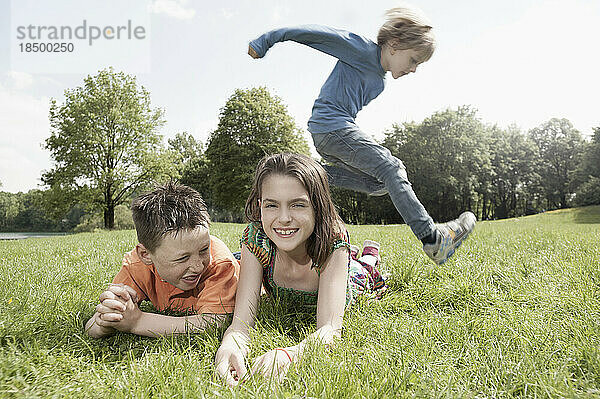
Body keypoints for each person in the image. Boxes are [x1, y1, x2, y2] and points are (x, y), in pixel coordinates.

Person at [248, 5, 476, 265]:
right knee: (392, 169)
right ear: (394, 44)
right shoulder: (361, 50)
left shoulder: (379, 82)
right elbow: (314, 34)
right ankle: (432, 238)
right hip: (331, 127)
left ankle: (312, 176)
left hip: (330, 134)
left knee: (381, 183)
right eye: (413, 60)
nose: (413, 69)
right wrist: (266, 40)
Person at [215, 153, 387, 385]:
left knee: (360, 272)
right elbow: (241, 323)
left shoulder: (332, 239)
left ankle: (367, 258)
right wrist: (229, 345)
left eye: (297, 204)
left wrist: (290, 354)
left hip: (344, 281)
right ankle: (354, 256)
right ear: (260, 206)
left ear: (317, 207)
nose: (284, 218)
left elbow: (330, 329)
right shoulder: (256, 239)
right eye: (272, 205)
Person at [84, 182, 240, 338]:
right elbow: (94, 324)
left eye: (204, 249)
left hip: (240, 263)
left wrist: (138, 322)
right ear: (145, 255)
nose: (198, 266)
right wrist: (105, 323)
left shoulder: (220, 264)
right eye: (183, 258)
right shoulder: (136, 267)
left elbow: (213, 323)